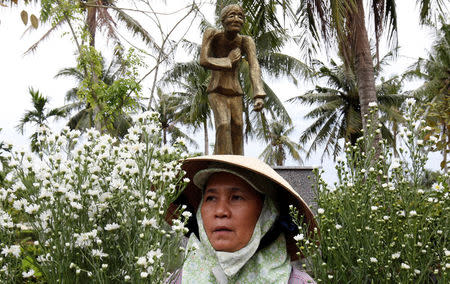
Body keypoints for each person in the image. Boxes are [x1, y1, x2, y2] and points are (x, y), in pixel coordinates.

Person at [167, 155, 317, 283]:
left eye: (236, 197)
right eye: (211, 198)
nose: (220, 211)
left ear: (267, 213)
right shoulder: (178, 280)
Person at [199, 4, 265, 155]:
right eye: (232, 16)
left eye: (240, 16)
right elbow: (203, 60)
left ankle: (237, 165)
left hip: (235, 92)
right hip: (217, 90)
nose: (236, 19)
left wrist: (258, 94)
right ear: (223, 20)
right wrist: (227, 61)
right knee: (223, 125)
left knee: (237, 126)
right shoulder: (212, 34)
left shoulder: (246, 41)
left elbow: (254, 66)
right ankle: (223, 165)